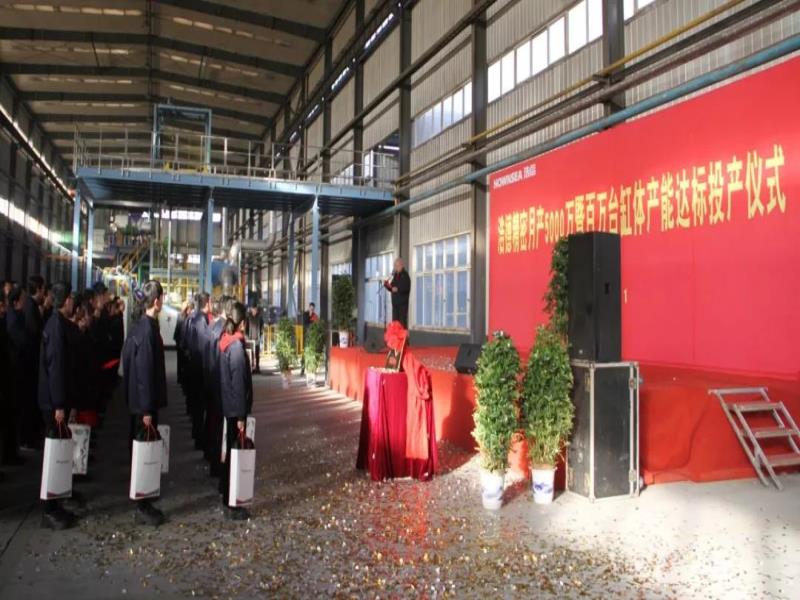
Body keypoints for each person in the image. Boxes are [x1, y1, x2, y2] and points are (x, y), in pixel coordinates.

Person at [121, 280, 167, 527]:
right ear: (157, 301)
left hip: (137, 402)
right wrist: (148, 408)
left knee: (139, 449)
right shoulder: (148, 331)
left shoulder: (138, 327)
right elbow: (146, 373)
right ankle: (143, 504)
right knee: (144, 451)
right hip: (144, 405)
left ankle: (143, 497)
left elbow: (129, 366)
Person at [37, 282, 77, 530]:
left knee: (58, 451)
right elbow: (56, 370)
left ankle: (57, 501)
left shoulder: (58, 324)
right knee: (53, 454)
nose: (74, 302)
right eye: (72, 298)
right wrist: (59, 405)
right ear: (66, 300)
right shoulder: (55, 328)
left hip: (55, 400)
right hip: (53, 403)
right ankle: (49, 510)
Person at [218, 302, 253, 521]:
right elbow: (239, 384)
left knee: (229, 454)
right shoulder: (237, 349)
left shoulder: (225, 342)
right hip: (235, 409)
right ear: (242, 323)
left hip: (228, 406)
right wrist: (241, 416)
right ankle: (232, 502)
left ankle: (226, 493)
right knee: (235, 456)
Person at [22, 275, 45, 449]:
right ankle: (27, 438)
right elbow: (34, 333)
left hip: (31, 361)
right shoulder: (31, 308)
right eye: (43, 289)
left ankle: (31, 437)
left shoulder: (32, 306)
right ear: (38, 289)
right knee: (28, 402)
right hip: (30, 362)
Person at [384, 258, 411, 329]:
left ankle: (404, 336)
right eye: (395, 266)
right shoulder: (396, 276)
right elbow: (392, 287)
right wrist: (387, 285)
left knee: (402, 324)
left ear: (401, 265)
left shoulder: (405, 275)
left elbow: (406, 288)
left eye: (397, 266)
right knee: (395, 324)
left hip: (402, 305)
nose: (395, 268)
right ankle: (395, 336)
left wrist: (398, 289)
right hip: (395, 304)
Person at [245, 303, 264, 374]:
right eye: (253, 309)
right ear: (251, 309)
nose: (254, 310)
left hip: (257, 338)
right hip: (250, 338)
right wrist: (247, 336)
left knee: (257, 354)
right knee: (252, 354)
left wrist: (261, 334)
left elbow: (262, 326)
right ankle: (252, 367)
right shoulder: (248, 317)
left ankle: (257, 367)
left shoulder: (259, 317)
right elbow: (246, 327)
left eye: (255, 309)